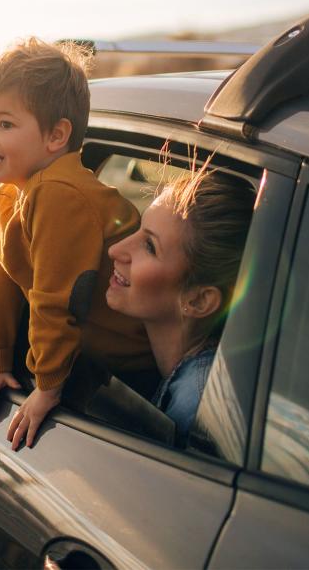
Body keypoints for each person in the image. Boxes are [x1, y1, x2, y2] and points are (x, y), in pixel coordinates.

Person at [0, 38, 154, 450]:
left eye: (5, 124)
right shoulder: (16, 192)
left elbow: (56, 299)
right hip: (98, 358)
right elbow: (3, 279)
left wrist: (47, 387)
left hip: (136, 365)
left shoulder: (58, 194)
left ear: (56, 136)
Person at [106, 168, 256, 447]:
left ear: (198, 301)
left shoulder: (195, 410)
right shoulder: (200, 380)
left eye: (149, 246)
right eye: (139, 228)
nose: (115, 250)